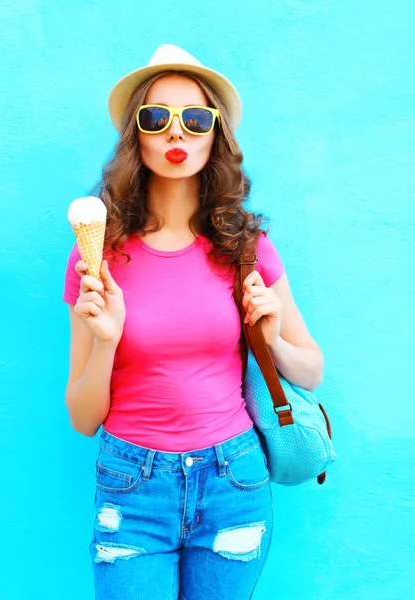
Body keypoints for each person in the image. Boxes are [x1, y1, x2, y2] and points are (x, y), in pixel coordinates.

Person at [63, 44, 324, 600]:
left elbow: (312, 368)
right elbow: (84, 418)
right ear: (137, 136)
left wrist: (272, 337)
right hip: (131, 484)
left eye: (196, 119)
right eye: (156, 119)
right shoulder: (97, 257)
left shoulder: (247, 248)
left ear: (215, 135)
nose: (176, 133)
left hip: (233, 478)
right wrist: (106, 342)